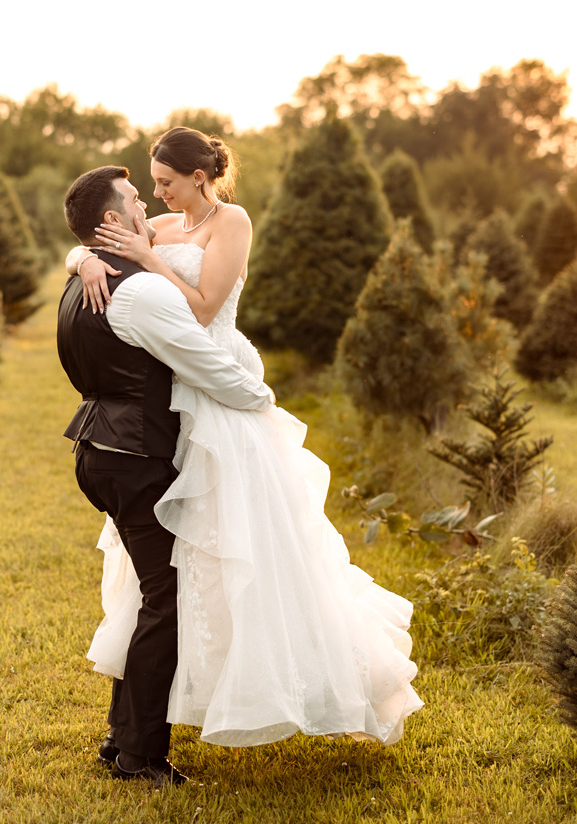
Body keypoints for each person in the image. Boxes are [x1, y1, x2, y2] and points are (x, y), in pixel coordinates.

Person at [66, 127, 423, 754]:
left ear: (198, 177)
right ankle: (152, 718)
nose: (156, 194)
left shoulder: (231, 222)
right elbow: (92, 242)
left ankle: (265, 682)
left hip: (215, 378)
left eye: (165, 182)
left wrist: (149, 259)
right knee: (181, 565)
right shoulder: (162, 229)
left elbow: (204, 310)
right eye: (149, 186)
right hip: (175, 394)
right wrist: (86, 260)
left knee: (244, 543)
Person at [56, 164, 276, 789]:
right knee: (168, 599)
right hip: (134, 457)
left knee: (153, 594)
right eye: (134, 198)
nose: (146, 206)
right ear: (112, 220)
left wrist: (82, 256)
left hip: (102, 447)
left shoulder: (82, 281)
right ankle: (139, 756)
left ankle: (121, 740)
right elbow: (206, 365)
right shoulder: (142, 294)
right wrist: (262, 398)